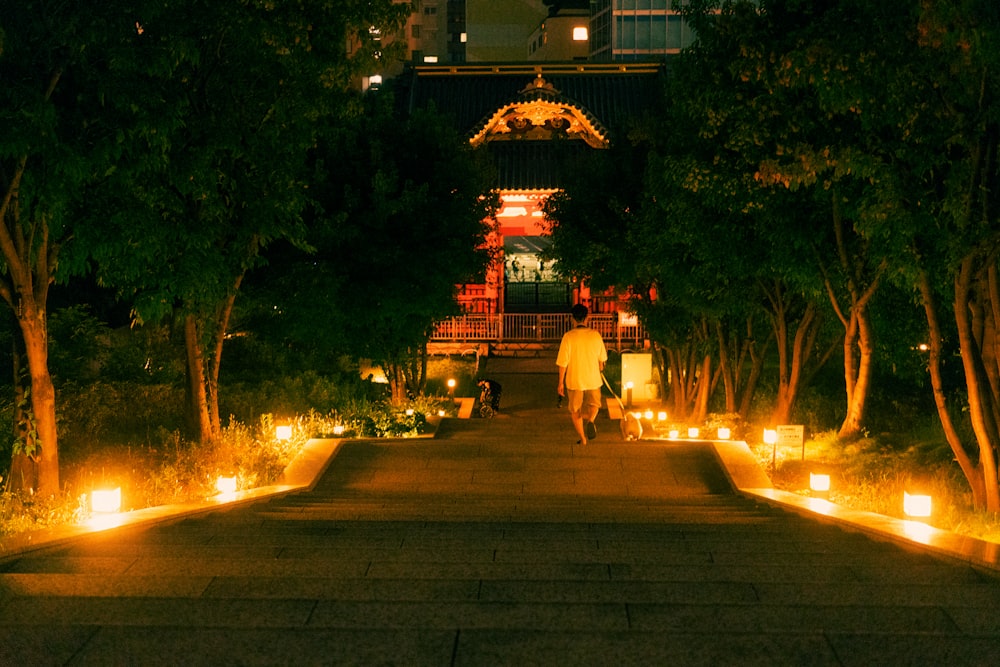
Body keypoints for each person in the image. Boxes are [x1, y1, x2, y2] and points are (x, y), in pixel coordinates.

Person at [556, 303, 608, 445]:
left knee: (575, 409)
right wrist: (599, 367)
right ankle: (591, 420)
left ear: (573, 319)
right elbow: (602, 361)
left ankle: (583, 438)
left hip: (575, 379)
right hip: (593, 378)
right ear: (587, 318)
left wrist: (560, 383)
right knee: (595, 404)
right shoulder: (595, 335)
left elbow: (563, 363)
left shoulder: (568, 337)